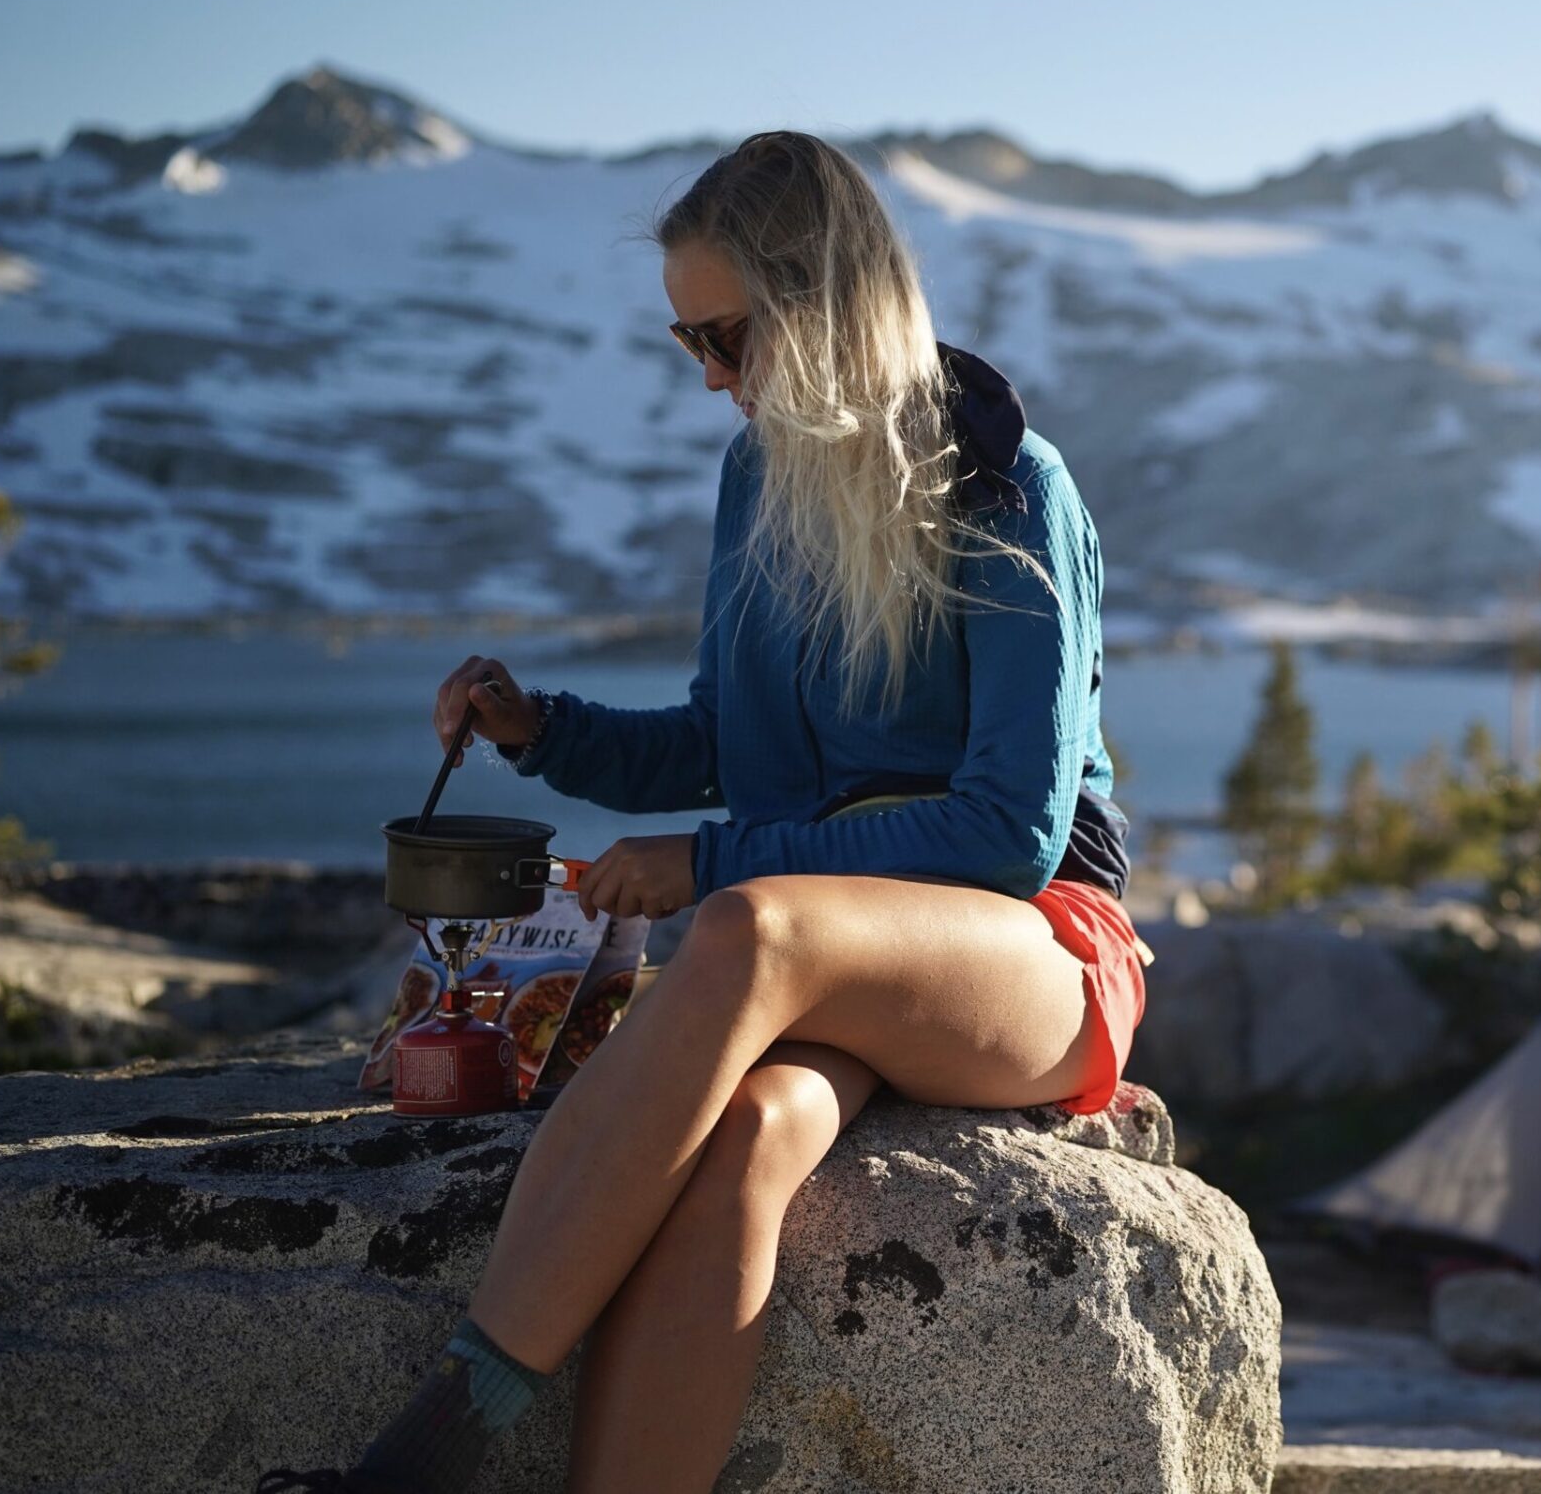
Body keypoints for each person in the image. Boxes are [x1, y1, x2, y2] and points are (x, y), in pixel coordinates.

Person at [256, 132, 1149, 1494]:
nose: (714, 378)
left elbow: (1005, 835)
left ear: (828, 305)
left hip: (1027, 950)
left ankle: (430, 1456)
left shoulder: (1007, 485)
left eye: (726, 337)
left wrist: (714, 863)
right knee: (745, 1143)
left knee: (748, 925)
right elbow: (724, 745)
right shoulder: (758, 479)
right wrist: (540, 729)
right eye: (689, 343)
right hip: (823, 964)